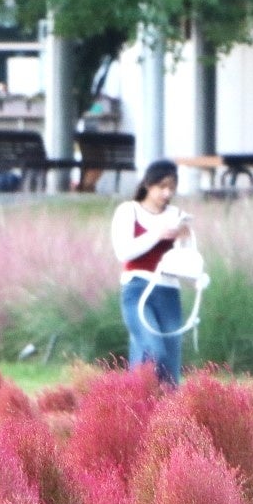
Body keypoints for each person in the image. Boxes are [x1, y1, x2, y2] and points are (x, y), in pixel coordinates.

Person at [111, 159, 195, 385]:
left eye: (171, 188)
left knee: (170, 360)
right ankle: (139, 401)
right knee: (152, 349)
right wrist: (157, 234)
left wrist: (184, 239)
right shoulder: (129, 211)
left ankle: (166, 413)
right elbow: (124, 252)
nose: (167, 193)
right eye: (162, 187)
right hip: (137, 288)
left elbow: (183, 262)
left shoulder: (176, 214)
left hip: (168, 292)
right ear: (148, 184)